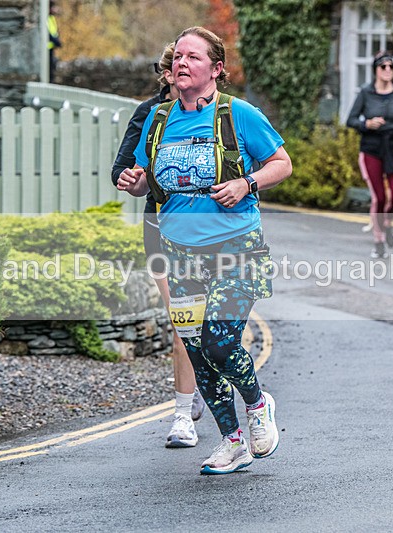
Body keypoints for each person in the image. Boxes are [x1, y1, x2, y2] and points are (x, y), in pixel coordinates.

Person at [117, 26, 291, 475]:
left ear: (216, 69)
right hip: (181, 254)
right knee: (195, 348)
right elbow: (144, 181)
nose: (181, 63)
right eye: (178, 56)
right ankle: (232, 443)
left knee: (218, 339)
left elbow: (282, 163)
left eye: (193, 57)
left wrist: (245, 183)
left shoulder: (239, 115)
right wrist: (136, 183)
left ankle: (257, 404)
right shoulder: (158, 120)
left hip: (236, 248)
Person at [111, 43, 206, 449]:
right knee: (183, 320)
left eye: (185, 66)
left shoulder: (219, 114)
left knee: (210, 323)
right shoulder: (150, 116)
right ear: (165, 75)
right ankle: (183, 415)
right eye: (172, 69)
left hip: (212, 230)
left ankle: (206, 379)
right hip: (161, 227)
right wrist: (133, 181)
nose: (177, 74)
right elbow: (125, 170)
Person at [347, 51, 393, 259]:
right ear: (376, 70)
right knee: (379, 197)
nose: (388, 70)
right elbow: (350, 120)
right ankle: (379, 241)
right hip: (372, 149)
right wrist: (366, 124)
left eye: (391, 66)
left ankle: (386, 223)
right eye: (383, 66)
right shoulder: (366, 93)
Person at [47, 2, 62, 82]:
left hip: (51, 47)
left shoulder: (51, 18)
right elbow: (47, 33)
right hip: (47, 49)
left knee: (52, 69)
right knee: (49, 71)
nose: (56, 10)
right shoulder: (46, 18)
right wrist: (56, 41)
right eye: (54, 7)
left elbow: (54, 32)